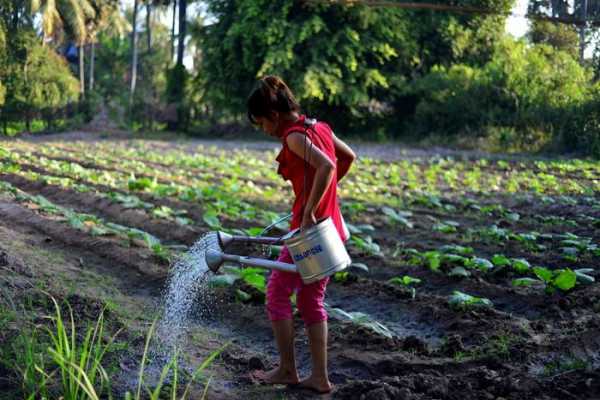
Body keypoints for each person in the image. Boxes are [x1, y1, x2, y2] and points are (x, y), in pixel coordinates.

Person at [246, 75, 356, 394]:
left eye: (261, 123)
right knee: (311, 299)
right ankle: (318, 377)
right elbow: (347, 158)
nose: (264, 130)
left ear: (273, 115)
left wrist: (309, 210)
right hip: (331, 227)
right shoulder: (318, 126)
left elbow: (327, 167)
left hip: (312, 231)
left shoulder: (294, 136)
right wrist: (325, 196)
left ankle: (287, 369)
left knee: (277, 292)